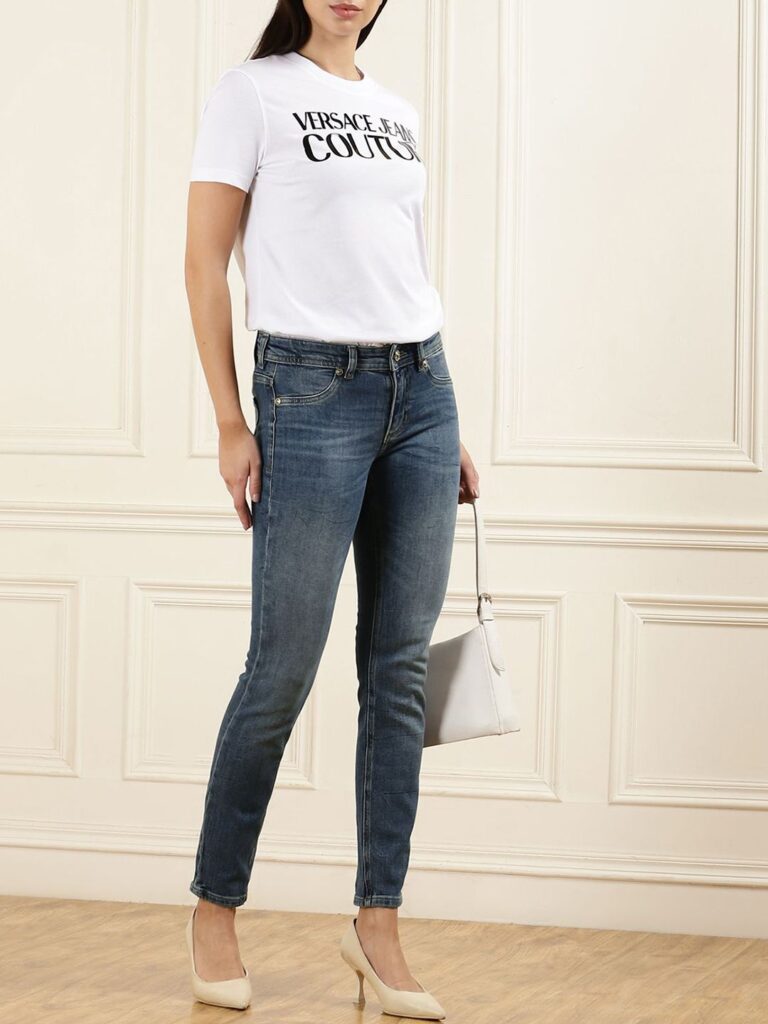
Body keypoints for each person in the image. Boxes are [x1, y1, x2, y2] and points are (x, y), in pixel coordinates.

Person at [183, 0, 480, 1015]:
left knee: (399, 670)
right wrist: (232, 419)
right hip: (308, 394)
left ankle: (377, 921)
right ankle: (215, 907)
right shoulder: (251, 93)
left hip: (421, 390)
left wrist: (445, 422)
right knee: (282, 666)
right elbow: (204, 263)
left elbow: (402, 266)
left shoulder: (395, 111)